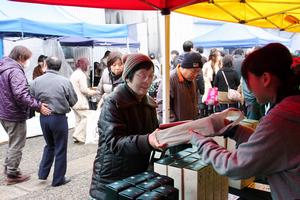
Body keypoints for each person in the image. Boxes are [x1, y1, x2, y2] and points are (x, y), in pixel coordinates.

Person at [189, 43, 300, 199]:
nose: (248, 86)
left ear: (265, 79)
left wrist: (201, 142)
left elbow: (234, 165)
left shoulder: (281, 118)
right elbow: (271, 145)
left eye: (248, 80)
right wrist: (235, 130)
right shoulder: (292, 106)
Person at [89, 53, 165, 200]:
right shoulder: (113, 102)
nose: (147, 81)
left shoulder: (148, 102)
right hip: (111, 179)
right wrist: (149, 140)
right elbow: (115, 143)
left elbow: (153, 132)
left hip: (137, 175)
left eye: (151, 76)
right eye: (142, 75)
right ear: (128, 76)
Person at [0, 45, 51, 185]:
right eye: (28, 58)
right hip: (13, 113)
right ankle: (12, 173)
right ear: (21, 58)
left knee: (13, 142)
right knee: (17, 143)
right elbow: (21, 94)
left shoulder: (3, 67)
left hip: (4, 112)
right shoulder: (15, 71)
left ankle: (9, 168)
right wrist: (38, 105)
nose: (29, 62)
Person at [30, 57, 78, 187]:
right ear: (60, 67)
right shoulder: (65, 81)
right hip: (58, 117)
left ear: (46, 65)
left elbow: (30, 98)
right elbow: (74, 101)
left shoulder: (36, 81)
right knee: (60, 148)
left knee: (49, 145)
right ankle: (58, 179)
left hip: (43, 118)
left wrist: (40, 105)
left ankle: (42, 173)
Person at [156, 52, 202, 153]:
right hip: (176, 132)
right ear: (182, 67)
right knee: (177, 159)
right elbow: (161, 106)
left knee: (189, 156)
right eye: (193, 71)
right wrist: (176, 125)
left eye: (198, 72)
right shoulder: (170, 79)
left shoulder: (192, 79)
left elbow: (196, 97)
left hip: (190, 129)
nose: (195, 75)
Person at [70, 57, 98, 144]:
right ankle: (77, 135)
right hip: (80, 101)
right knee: (87, 117)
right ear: (85, 64)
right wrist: (95, 92)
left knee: (78, 119)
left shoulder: (74, 73)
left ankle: (78, 137)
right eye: (88, 64)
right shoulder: (81, 75)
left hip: (73, 100)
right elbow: (84, 90)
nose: (89, 66)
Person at [202, 48, 222, 115]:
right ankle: (209, 114)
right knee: (209, 102)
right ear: (213, 56)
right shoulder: (207, 65)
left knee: (217, 104)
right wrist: (207, 80)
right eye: (218, 55)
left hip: (218, 86)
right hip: (209, 86)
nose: (220, 57)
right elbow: (203, 75)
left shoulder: (220, 65)